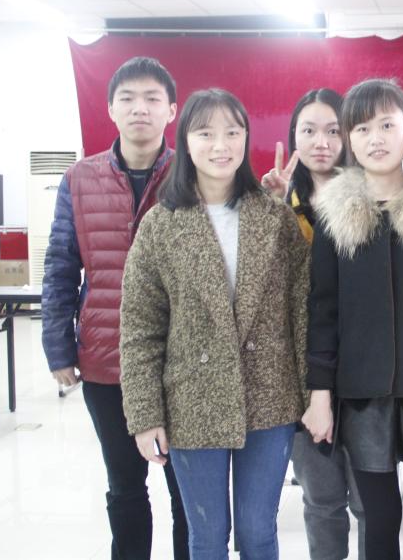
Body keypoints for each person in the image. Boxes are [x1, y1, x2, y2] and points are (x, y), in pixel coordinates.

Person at [120, 88, 310, 559]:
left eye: (232, 132)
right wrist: (145, 416)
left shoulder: (274, 216)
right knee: (206, 536)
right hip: (191, 397)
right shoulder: (160, 225)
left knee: (258, 531)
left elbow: (302, 312)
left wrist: (313, 396)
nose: (220, 145)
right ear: (185, 141)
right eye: (205, 133)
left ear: (246, 137)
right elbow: (140, 329)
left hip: (270, 396)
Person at [41, 56, 188, 560]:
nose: (139, 108)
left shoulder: (192, 176)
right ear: (110, 108)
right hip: (107, 360)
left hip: (181, 361)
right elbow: (61, 265)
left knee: (187, 490)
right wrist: (59, 348)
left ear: (171, 110)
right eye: (127, 98)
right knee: (125, 486)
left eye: (151, 99)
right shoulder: (79, 179)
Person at [302, 78, 403, 560]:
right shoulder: (333, 217)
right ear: (349, 138)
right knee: (380, 518)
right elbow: (322, 310)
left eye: (387, 125)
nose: (376, 138)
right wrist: (319, 394)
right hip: (362, 394)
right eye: (362, 128)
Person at [262, 88, 367, 560]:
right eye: (308, 131)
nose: (321, 142)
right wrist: (270, 211)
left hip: (364, 368)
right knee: (321, 498)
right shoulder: (277, 200)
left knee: (369, 499)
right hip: (299, 372)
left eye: (332, 131)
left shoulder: (372, 196)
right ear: (294, 138)